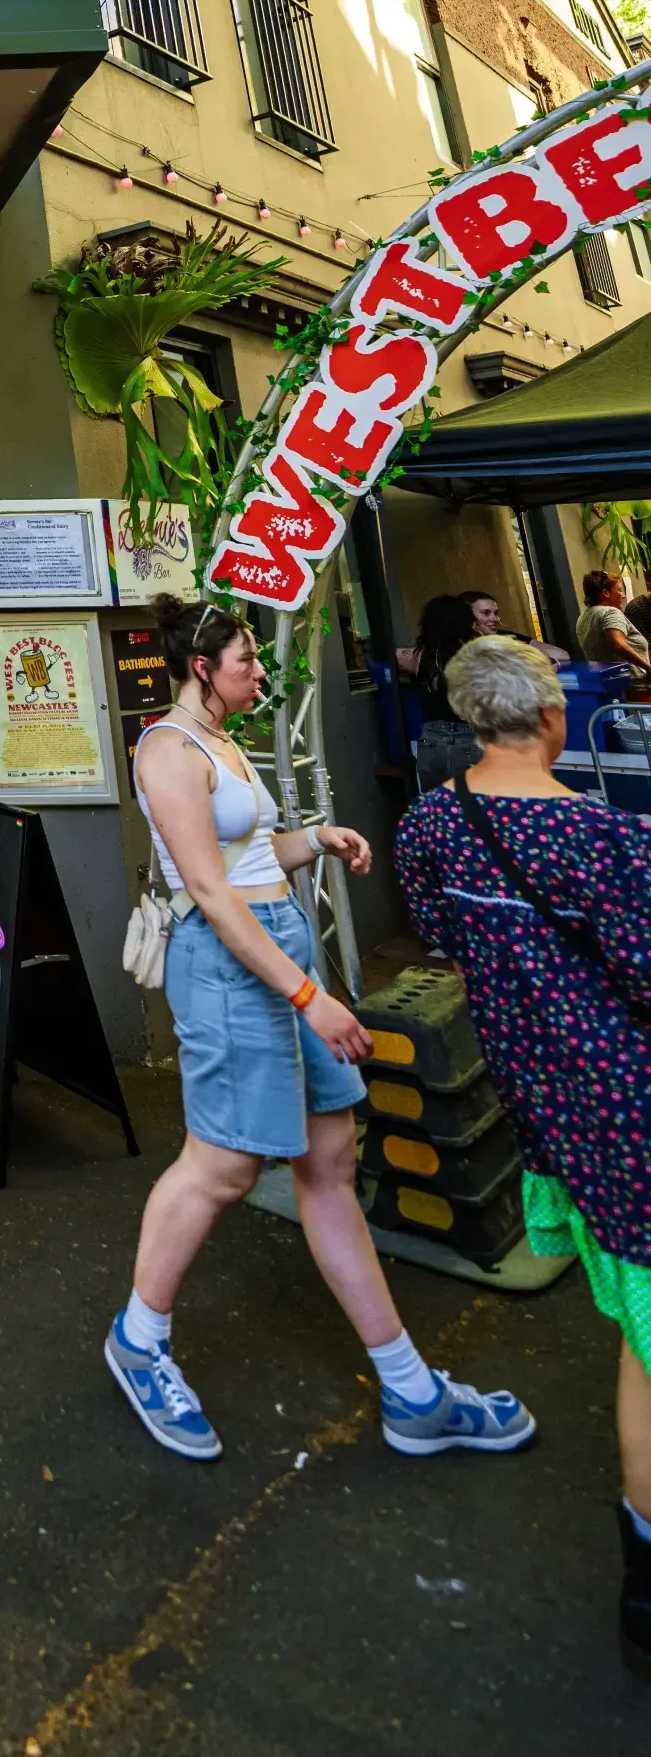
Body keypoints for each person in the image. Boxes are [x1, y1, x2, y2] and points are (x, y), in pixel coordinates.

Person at [107, 595, 534, 1465]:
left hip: (278, 947)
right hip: (233, 969)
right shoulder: (166, 750)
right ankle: (139, 1341)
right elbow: (215, 895)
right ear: (201, 669)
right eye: (243, 663)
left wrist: (317, 840)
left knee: (330, 1160)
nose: (260, 674)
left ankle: (411, 1390)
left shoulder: (225, 742)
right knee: (223, 1167)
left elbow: (253, 859)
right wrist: (311, 997)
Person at [393, 636, 651, 1670]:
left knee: (639, 1335)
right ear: (549, 717)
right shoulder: (606, 840)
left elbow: (438, 937)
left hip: (543, 1108)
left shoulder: (428, 825)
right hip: (630, 1107)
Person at [410, 591, 493, 790]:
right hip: (469, 737)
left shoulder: (420, 657)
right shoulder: (477, 655)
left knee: (437, 810)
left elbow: (395, 657)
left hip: (431, 739)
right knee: (473, 812)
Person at [577, 569, 651, 674]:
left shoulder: (584, 617)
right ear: (606, 593)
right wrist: (648, 667)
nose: (623, 595)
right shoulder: (610, 612)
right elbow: (618, 645)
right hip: (634, 683)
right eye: (619, 590)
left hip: (608, 680)